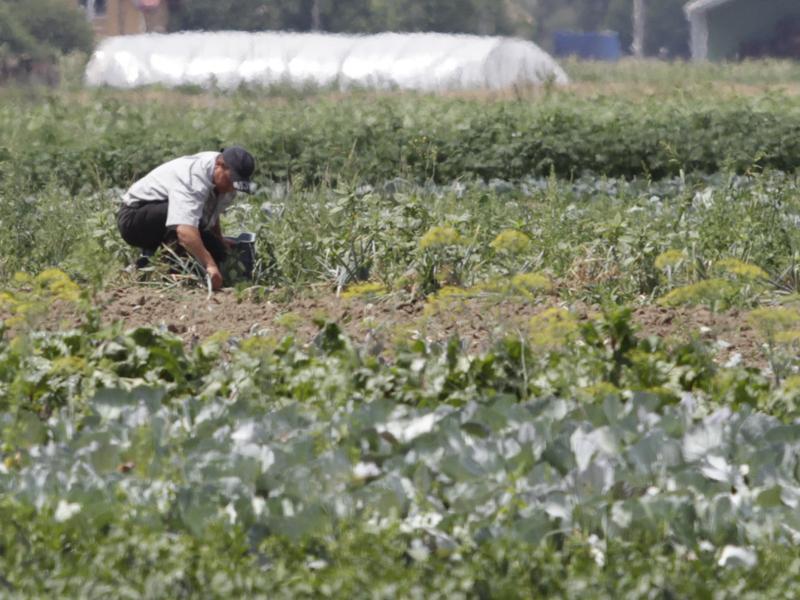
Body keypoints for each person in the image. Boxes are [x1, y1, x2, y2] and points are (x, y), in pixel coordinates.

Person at [116, 146, 255, 291]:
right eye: (229, 181)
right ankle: (166, 272)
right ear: (219, 165)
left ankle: (145, 264)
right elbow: (184, 230)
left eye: (235, 184)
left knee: (217, 252)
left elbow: (212, 210)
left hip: (167, 215)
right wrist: (210, 266)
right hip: (134, 218)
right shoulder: (193, 177)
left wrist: (219, 238)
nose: (231, 188)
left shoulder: (225, 178)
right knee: (185, 232)